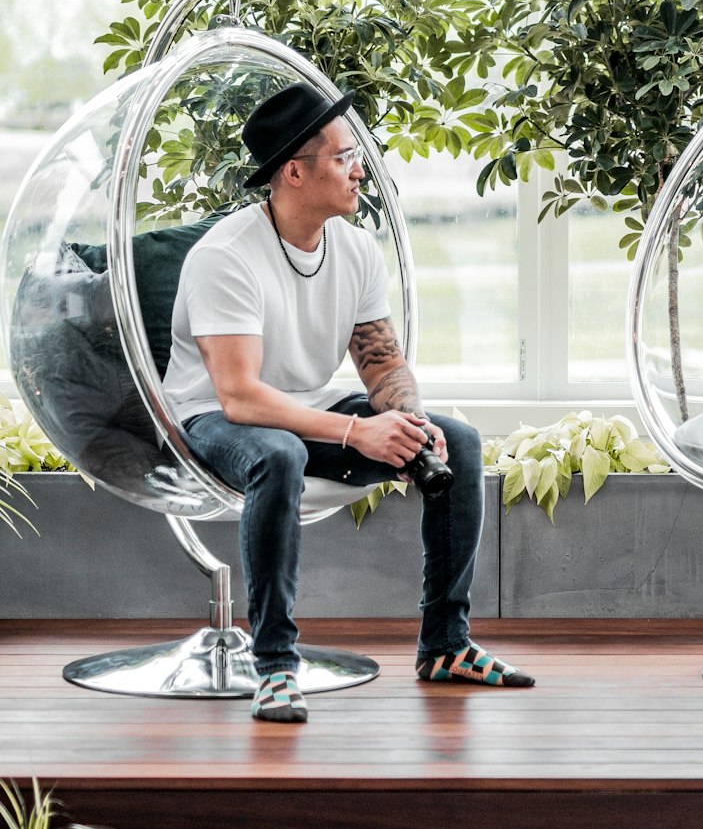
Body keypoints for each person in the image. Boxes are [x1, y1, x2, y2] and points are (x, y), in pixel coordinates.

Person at [163, 82, 534, 723]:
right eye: (344, 156)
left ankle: (445, 645)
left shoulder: (356, 248)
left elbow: (381, 362)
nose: (359, 167)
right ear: (296, 172)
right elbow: (241, 394)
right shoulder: (224, 258)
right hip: (215, 419)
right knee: (277, 455)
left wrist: (410, 420)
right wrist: (356, 434)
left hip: (310, 406)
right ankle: (275, 666)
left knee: (460, 441)